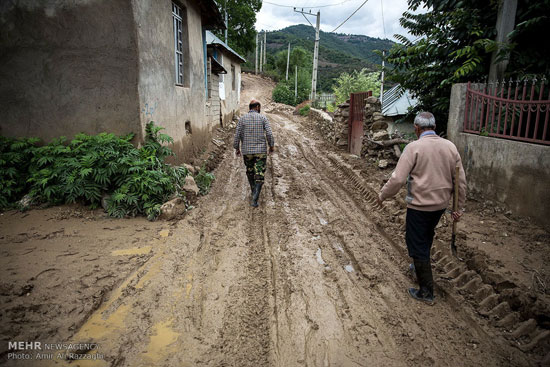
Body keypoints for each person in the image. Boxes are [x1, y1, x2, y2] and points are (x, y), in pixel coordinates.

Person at [377, 111, 466, 304]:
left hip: (419, 206)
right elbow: (460, 181)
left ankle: (426, 292)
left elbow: (398, 179)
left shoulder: (413, 147)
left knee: (416, 243)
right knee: (426, 235)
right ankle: (417, 266)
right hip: (440, 206)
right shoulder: (450, 147)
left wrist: (383, 194)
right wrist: (458, 208)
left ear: (416, 129)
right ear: (433, 127)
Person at [233, 99, 275, 207]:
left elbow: (237, 135)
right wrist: (271, 146)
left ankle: (253, 191)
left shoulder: (242, 119)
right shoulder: (263, 118)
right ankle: (255, 198)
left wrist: (237, 148)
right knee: (259, 173)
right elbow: (269, 134)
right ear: (257, 107)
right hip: (260, 152)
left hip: (247, 152)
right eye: (259, 107)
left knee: (250, 171)